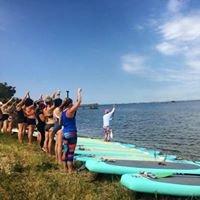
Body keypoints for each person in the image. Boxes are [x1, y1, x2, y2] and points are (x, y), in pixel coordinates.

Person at [60, 88, 82, 173]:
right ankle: (70, 170)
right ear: (69, 104)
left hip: (64, 133)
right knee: (71, 152)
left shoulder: (63, 112)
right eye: (71, 103)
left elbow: (60, 123)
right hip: (72, 133)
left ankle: (64, 169)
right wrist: (78, 92)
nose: (73, 104)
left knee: (65, 151)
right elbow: (79, 102)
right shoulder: (70, 111)